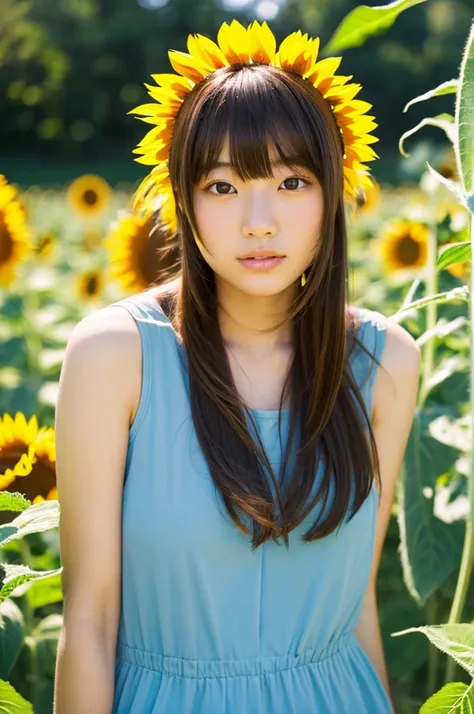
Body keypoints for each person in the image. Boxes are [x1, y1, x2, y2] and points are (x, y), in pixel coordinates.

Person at [53, 19, 421, 714]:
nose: (260, 221)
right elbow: (89, 625)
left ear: (334, 192)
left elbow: (356, 605)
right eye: (223, 186)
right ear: (182, 199)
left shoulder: (385, 363)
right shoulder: (115, 357)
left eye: (291, 181)